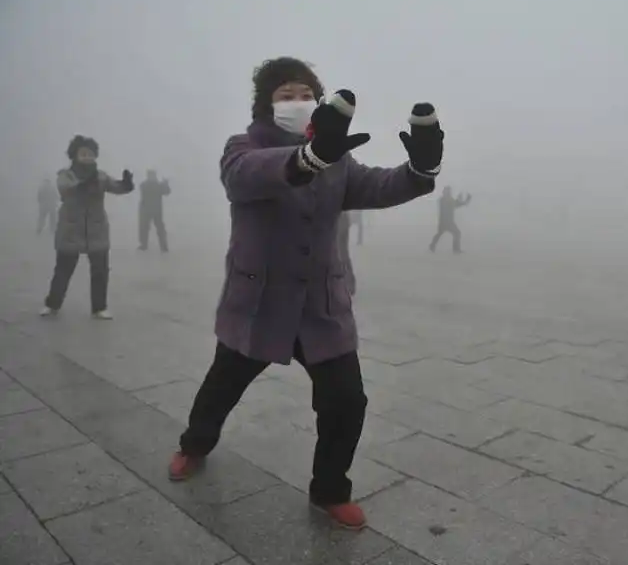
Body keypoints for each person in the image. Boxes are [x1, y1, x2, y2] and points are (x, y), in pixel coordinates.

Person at [167, 57, 444, 530]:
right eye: (285, 94)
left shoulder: (337, 158)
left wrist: (420, 169)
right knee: (223, 385)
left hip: (321, 306)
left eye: (304, 94)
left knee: (346, 401)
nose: (296, 101)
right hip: (259, 304)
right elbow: (245, 176)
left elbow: (376, 185)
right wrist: (307, 158)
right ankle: (194, 444)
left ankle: (330, 489)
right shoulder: (244, 146)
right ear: (267, 103)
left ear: (319, 103)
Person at [40, 135, 134, 319]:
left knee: (100, 271)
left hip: (96, 230)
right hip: (70, 230)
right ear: (74, 155)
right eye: (83, 154)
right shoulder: (65, 175)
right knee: (63, 271)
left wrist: (126, 184)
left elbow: (116, 187)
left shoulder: (101, 176)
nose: (87, 157)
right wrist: (84, 184)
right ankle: (52, 305)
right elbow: (67, 189)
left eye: (91, 154)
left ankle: (99, 307)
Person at [429, 186, 471, 253]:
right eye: (447, 191)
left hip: (445, 221)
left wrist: (464, 200)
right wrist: (461, 200)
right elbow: (454, 204)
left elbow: (455, 205)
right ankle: (456, 249)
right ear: (444, 192)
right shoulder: (443, 200)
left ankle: (432, 246)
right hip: (446, 222)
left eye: (449, 191)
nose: (449, 192)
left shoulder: (447, 199)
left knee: (441, 233)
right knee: (456, 233)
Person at [138, 169, 171, 252]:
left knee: (159, 229)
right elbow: (165, 191)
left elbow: (167, 192)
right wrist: (164, 184)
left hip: (155, 210)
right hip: (147, 210)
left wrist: (165, 184)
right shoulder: (146, 185)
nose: (152, 177)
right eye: (150, 175)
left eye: (152, 175)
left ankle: (163, 247)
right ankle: (144, 245)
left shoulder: (155, 185)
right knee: (144, 228)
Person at [337, 212, 357, 295]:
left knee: (341, 253)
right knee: (343, 253)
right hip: (342, 221)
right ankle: (349, 283)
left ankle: (349, 284)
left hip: (339, 223)